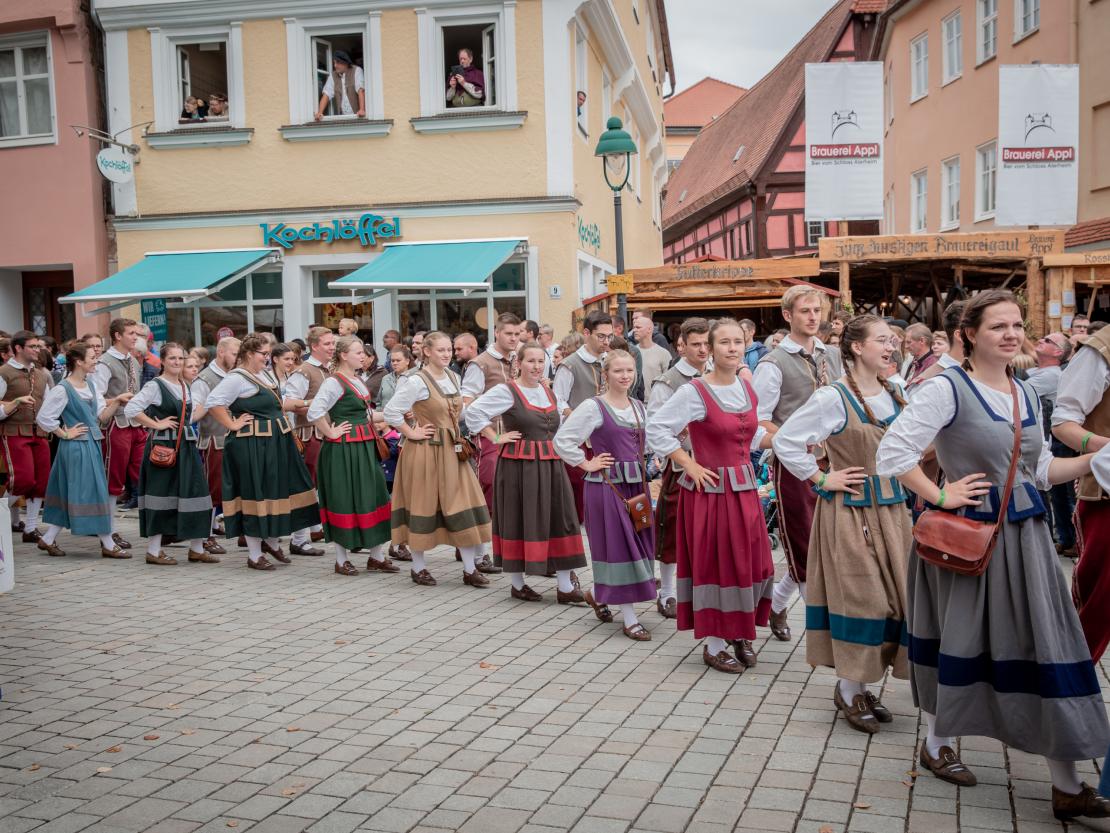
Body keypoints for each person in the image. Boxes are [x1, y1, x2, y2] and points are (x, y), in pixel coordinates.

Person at [876, 290, 1110, 819]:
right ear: (969, 334)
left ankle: (1067, 783)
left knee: (1045, 643)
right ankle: (937, 745)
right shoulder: (946, 388)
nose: (1010, 334)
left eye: (1016, 325)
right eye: (998, 326)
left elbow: (1041, 470)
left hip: (1027, 541)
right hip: (970, 541)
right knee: (960, 638)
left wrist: (1097, 459)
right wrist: (941, 494)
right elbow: (891, 453)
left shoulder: (1024, 391)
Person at [773, 316, 910, 731]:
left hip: (894, 512)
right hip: (851, 514)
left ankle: (863, 686)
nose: (891, 347)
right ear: (856, 347)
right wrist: (820, 477)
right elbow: (785, 441)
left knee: (895, 599)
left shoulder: (896, 390)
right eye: (882, 341)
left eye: (893, 341)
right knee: (862, 599)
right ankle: (850, 690)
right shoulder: (833, 397)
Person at [648, 319, 773, 671]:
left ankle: (741, 631)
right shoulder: (695, 391)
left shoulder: (748, 390)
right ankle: (715, 643)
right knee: (719, 562)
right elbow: (657, 428)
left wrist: (788, 439)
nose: (732, 348)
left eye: (738, 342)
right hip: (711, 491)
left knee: (752, 561)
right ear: (711, 350)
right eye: (724, 343)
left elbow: (749, 436)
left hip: (744, 487)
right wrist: (688, 463)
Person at [753, 287, 842, 642]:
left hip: (836, 460)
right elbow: (758, 422)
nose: (813, 317)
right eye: (804, 311)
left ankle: (775, 605)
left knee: (827, 542)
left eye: (816, 310)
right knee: (804, 542)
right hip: (795, 464)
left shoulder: (831, 355)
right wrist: (795, 439)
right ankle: (828, 634)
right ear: (788, 315)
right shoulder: (773, 363)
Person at [466, 342, 587, 602]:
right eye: (530, 361)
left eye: (541, 361)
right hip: (518, 467)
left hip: (552, 465)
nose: (536, 366)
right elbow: (473, 411)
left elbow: (563, 425)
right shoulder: (507, 391)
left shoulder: (549, 392)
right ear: (518, 364)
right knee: (518, 517)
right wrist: (495, 436)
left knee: (561, 517)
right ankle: (517, 583)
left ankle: (565, 586)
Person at [555, 350, 656, 640]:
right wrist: (586, 462)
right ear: (605, 374)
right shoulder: (593, 407)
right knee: (619, 547)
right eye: (618, 371)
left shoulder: (638, 406)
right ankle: (630, 617)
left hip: (637, 488)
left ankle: (599, 594)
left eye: (629, 371)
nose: (625, 376)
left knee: (640, 544)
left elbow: (643, 445)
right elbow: (562, 440)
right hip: (607, 487)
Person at [384, 332, 492, 586]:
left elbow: (460, 414)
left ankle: (469, 568)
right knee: (422, 503)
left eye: (448, 350)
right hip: (425, 451)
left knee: (462, 504)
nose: (446, 354)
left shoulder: (454, 377)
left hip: (453, 450)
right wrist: (412, 432)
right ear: (428, 352)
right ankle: (418, 567)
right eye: (441, 350)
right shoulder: (416, 381)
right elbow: (391, 411)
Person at [206, 335, 321, 571]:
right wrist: (232, 424)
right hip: (252, 444)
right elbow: (213, 402)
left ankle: (270, 542)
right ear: (250, 354)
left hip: (275, 442)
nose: (267, 358)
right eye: (263, 354)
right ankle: (255, 554)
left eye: (268, 354)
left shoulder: (265, 374)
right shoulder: (237, 377)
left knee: (276, 491)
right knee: (255, 493)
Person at [307, 336, 396, 577]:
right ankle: (341, 559)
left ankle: (377, 556)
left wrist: (394, 414)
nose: (363, 355)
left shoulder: (356, 379)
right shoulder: (334, 382)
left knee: (373, 495)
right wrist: (330, 431)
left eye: (363, 352)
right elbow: (315, 411)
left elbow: (366, 415)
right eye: (358, 352)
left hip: (363, 446)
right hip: (343, 449)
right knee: (344, 498)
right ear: (344, 355)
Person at [123, 343, 214, 567]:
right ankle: (153, 551)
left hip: (186, 445)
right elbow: (131, 409)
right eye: (172, 358)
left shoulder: (184, 385)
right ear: (162, 361)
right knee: (161, 495)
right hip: (163, 447)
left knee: (195, 492)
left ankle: (197, 548)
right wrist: (155, 423)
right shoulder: (156, 385)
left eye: (180, 358)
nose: (177, 362)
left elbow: (189, 416)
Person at [34, 341, 127, 558]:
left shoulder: (91, 386)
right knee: (93, 491)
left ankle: (47, 539)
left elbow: (101, 417)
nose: (96, 360)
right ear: (78, 361)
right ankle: (107, 543)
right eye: (93, 357)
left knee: (72, 492)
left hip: (91, 444)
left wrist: (117, 402)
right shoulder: (62, 389)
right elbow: (43, 418)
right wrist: (64, 433)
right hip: (75, 448)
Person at [1052, 316, 1110, 660]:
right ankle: (1066, 686)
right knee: (1097, 608)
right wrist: (1107, 448)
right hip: (1106, 496)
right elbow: (1063, 423)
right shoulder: (1101, 350)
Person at [645, 317, 709, 619]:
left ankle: (698, 589)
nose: (703, 350)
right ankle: (667, 592)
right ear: (681, 346)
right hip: (682, 464)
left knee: (706, 532)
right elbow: (656, 427)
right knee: (671, 530)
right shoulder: (669, 381)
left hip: (714, 464)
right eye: (696, 344)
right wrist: (681, 436)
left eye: (707, 343)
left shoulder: (718, 375)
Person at [461, 313, 522, 575]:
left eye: (517, 334)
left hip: (518, 435)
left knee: (510, 495)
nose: (514, 339)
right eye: (509, 334)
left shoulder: (520, 359)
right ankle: (479, 552)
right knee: (487, 491)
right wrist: (489, 433)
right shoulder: (480, 364)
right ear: (496, 333)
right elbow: (466, 406)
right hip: (490, 438)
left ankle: (504, 548)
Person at [554, 311, 612, 521]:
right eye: (601, 336)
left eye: (609, 336)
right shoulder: (570, 365)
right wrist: (576, 416)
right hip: (581, 439)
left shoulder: (609, 360)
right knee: (581, 486)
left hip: (606, 435)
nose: (606, 341)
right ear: (587, 333)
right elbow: (558, 401)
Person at [285, 327, 335, 556]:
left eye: (333, 343)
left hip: (328, 433)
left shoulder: (331, 369)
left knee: (322, 487)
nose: (332, 347)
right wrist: (314, 402)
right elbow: (288, 402)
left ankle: (318, 528)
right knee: (306, 487)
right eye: (327, 344)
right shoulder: (304, 371)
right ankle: (298, 539)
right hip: (309, 435)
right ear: (314, 346)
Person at [0, 331, 54, 544]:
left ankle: (30, 528)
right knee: (22, 480)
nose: (37, 350)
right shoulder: (4, 373)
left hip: (39, 432)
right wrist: (13, 405)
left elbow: (49, 407)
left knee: (41, 482)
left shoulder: (41, 374)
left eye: (38, 346)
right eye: (32, 346)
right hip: (13, 432)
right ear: (18, 348)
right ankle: (2, 515)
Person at [191, 336, 239, 556]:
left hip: (233, 439)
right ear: (221, 352)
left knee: (231, 488)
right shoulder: (205, 378)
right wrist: (212, 404)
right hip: (213, 440)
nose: (237, 358)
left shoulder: (236, 374)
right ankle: (204, 536)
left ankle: (233, 529)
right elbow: (194, 413)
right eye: (234, 353)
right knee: (212, 490)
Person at [315, 51, 365, 120]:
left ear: (345, 63)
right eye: (334, 63)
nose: (335, 65)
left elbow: (360, 90)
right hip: (343, 118)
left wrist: (362, 110)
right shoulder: (333, 76)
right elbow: (326, 95)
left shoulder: (356, 70)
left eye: (338, 63)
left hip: (358, 117)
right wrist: (319, 112)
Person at [632, 314, 670, 392]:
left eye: (638, 327)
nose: (634, 330)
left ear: (649, 329)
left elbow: (669, 381)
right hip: (636, 401)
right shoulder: (631, 352)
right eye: (634, 327)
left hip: (656, 401)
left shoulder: (663, 353)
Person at [379, 346, 413, 412]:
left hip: (407, 419)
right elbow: (379, 402)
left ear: (407, 361)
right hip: (385, 419)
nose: (395, 363)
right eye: (392, 361)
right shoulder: (385, 379)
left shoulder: (414, 379)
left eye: (398, 360)